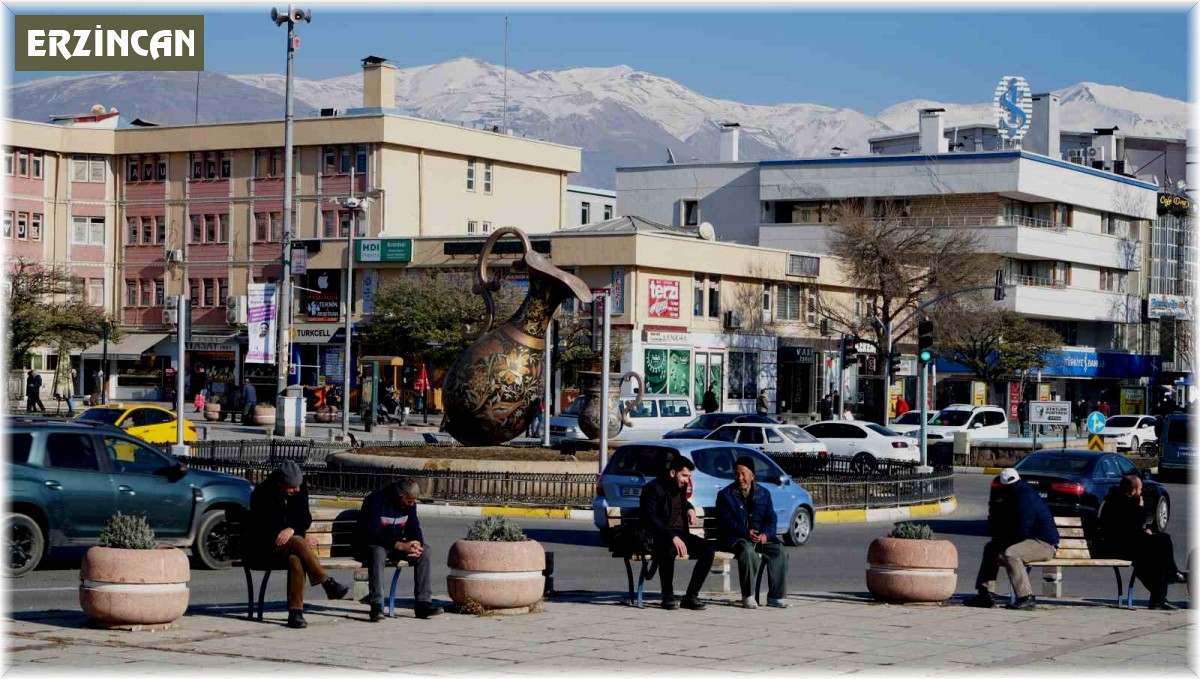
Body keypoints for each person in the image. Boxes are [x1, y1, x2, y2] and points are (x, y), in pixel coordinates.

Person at [249, 460, 349, 629]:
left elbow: (305, 518)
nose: (296, 490)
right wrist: (294, 534)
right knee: (297, 542)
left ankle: (295, 613)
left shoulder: (299, 490)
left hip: (291, 545)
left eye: (297, 486)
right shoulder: (263, 493)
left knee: (296, 559)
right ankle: (326, 582)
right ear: (280, 484)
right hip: (266, 546)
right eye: (291, 487)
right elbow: (266, 527)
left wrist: (293, 530)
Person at [964, 468, 1059, 610]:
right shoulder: (1011, 494)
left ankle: (1026, 598)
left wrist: (1004, 550)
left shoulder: (1024, 496)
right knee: (991, 548)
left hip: (1043, 544)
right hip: (1027, 540)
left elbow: (1022, 529)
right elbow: (1001, 523)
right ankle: (985, 595)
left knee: (1011, 554)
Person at [354, 478, 441, 622]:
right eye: (410, 502)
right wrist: (399, 545)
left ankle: (423, 604)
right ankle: (376, 606)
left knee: (425, 551)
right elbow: (371, 534)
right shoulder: (375, 500)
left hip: (395, 545)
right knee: (378, 552)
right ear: (400, 496)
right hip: (371, 545)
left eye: (414, 502)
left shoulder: (409, 505)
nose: (412, 505)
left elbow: (413, 527)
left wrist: (416, 544)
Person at [1099, 474, 1186, 610]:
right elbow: (1132, 526)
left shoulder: (1114, 500)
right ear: (1132, 491)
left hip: (1124, 545)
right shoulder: (1124, 503)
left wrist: (1144, 532)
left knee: (1147, 563)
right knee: (1164, 541)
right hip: (1120, 548)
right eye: (1139, 490)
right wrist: (1140, 508)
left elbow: (1129, 529)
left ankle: (1160, 595)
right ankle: (1170, 577)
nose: (1141, 494)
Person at [639, 456, 713, 611]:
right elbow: (649, 518)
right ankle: (668, 596)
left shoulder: (679, 487)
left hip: (680, 534)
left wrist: (690, 508)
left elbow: (681, 502)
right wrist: (672, 536)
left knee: (708, 550)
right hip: (659, 536)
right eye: (684, 475)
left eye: (689, 477)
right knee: (668, 549)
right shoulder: (653, 488)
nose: (687, 480)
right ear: (673, 473)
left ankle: (691, 596)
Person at [716, 456, 788, 609]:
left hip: (758, 538)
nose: (740, 478)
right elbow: (726, 521)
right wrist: (745, 532)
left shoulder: (764, 494)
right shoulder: (726, 495)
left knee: (779, 551)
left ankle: (776, 596)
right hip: (736, 538)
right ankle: (747, 595)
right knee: (748, 552)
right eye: (737, 474)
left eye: (743, 474)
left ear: (752, 476)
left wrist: (766, 535)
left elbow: (771, 520)